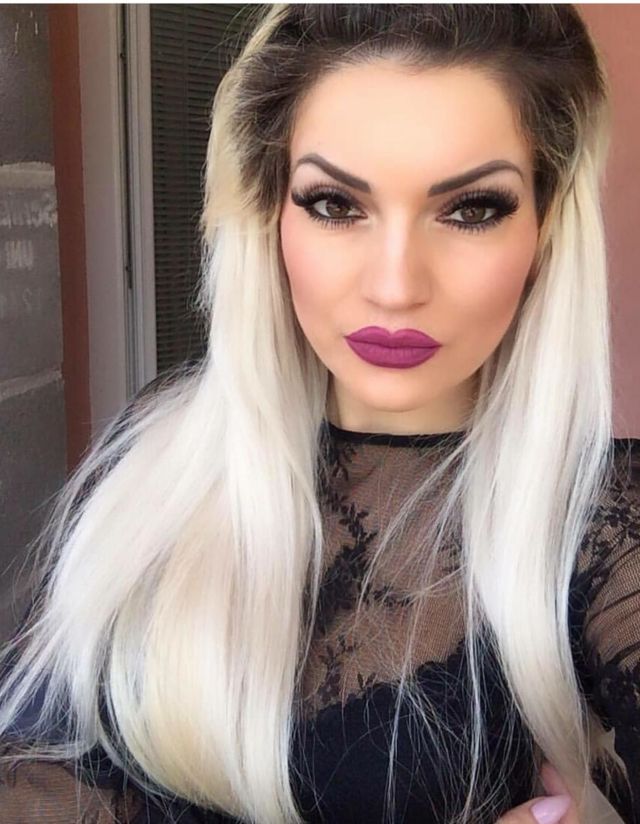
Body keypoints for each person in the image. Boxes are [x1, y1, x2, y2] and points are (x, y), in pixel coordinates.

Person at [0, 4, 638, 823]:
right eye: (336, 203)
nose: (396, 286)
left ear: (544, 230)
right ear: (269, 213)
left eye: (472, 208)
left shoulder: (604, 526)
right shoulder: (155, 453)